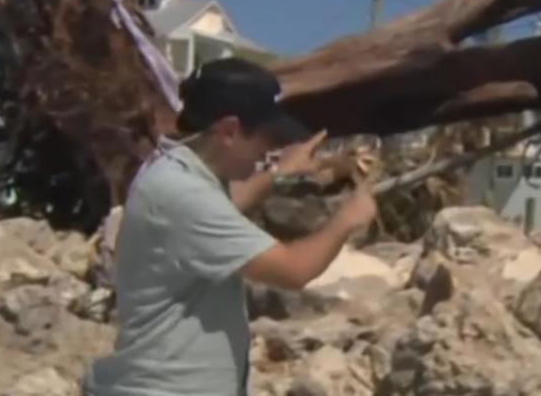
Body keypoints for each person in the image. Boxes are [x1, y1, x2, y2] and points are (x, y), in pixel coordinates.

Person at [83, 57, 377, 396]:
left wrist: (279, 173)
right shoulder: (183, 194)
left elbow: (223, 209)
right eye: (268, 139)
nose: (272, 149)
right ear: (229, 131)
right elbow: (294, 270)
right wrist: (347, 220)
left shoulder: (178, 169)